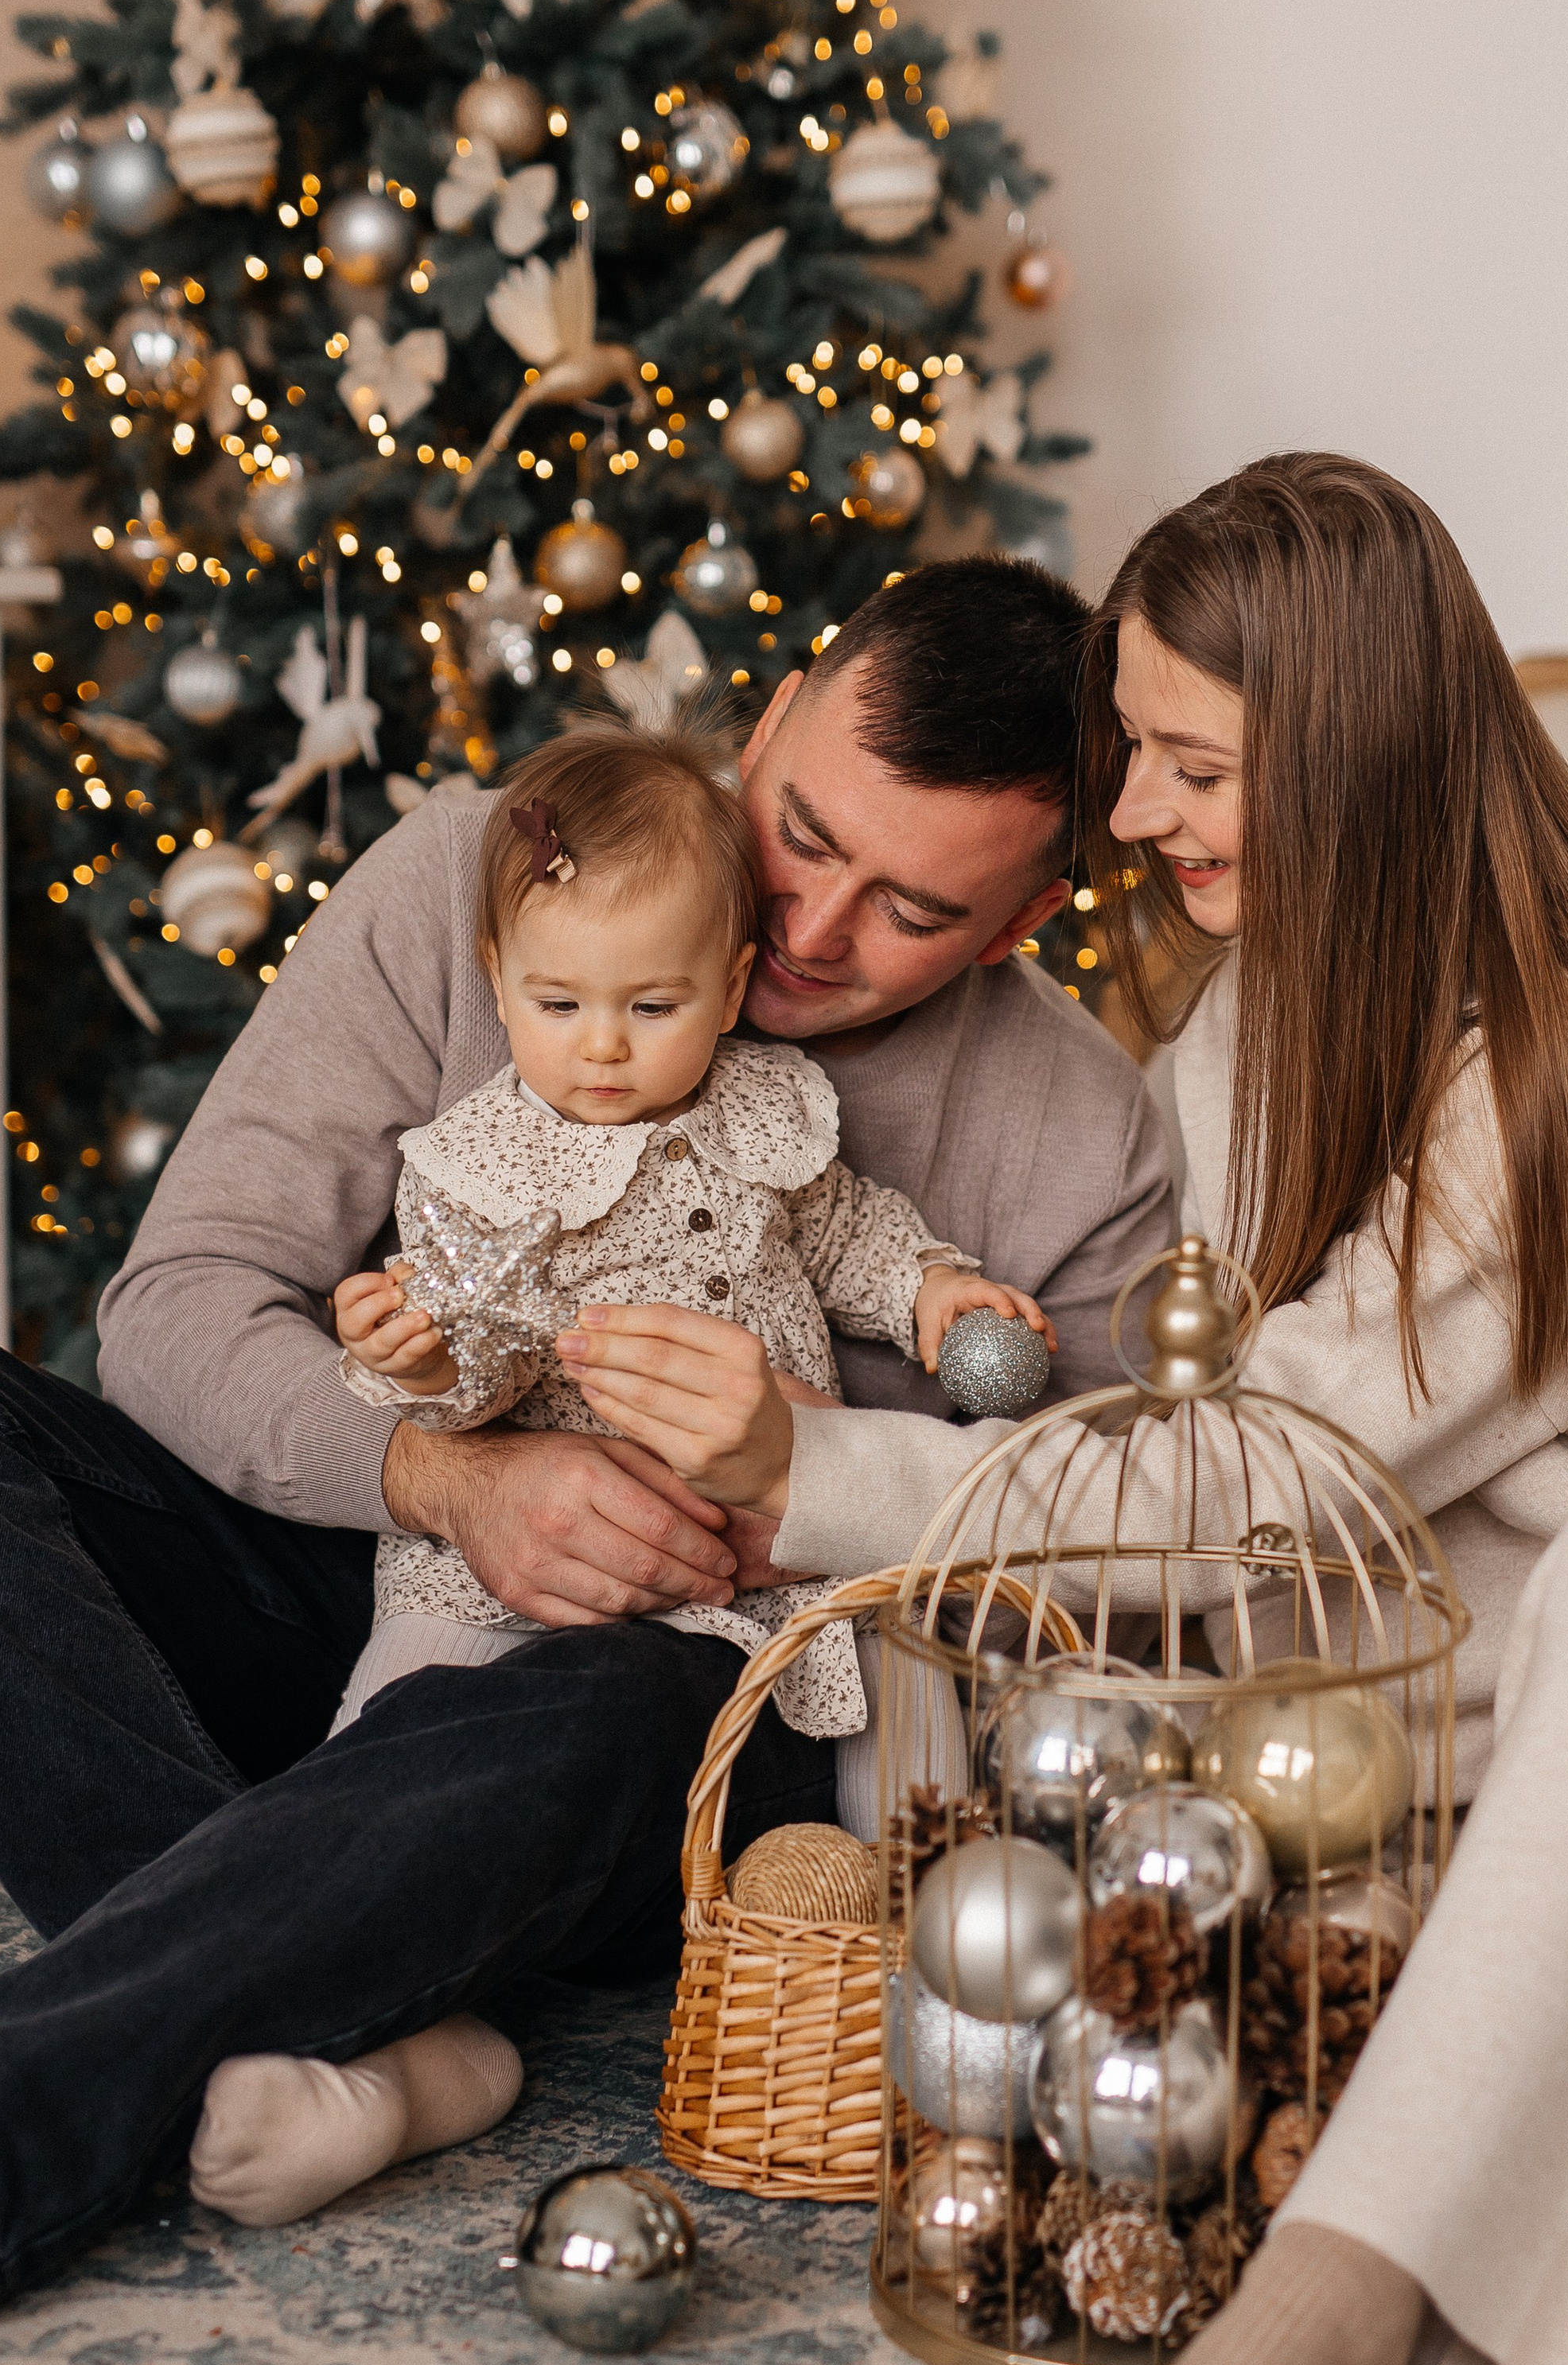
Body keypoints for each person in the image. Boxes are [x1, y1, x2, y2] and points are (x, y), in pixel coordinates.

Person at [545, 455, 1568, 2365]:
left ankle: (1320, 2339)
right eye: (1135, 749)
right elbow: (1202, 1438)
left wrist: (816, 1470)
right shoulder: (1262, 1001)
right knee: (1113, 1840)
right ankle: (1488, 2040)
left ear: (1351, 752)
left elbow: (1269, 1471)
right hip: (1461, 1648)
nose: (1134, 810)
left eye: (1189, 763)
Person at [0, 555, 1171, 2303]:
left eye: (913, 911)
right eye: (801, 833)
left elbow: (1104, 1565)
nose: (809, 929)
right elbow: (175, 1309)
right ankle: (388, 2000)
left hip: (698, 1701)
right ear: (770, 720)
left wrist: (805, 1492)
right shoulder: (482, 875)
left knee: (608, 1692)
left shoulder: (1081, 1132)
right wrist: (446, 1475)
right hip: (383, 1595)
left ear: (1019, 921)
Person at [328, 713, 1052, 1738]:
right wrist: (428, 1365)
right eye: (559, 1005)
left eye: (653, 1007)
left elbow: (844, 1233)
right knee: (401, 1711)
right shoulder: (473, 1165)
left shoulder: (761, 1112)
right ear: (498, 978)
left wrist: (927, 1288)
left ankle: (914, 1834)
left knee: (902, 1685)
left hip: (776, 1541)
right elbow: (480, 1372)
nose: (603, 1047)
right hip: (529, 1563)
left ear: (728, 988)